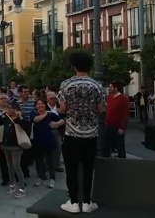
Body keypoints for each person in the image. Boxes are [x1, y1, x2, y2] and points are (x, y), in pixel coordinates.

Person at [59, 51, 105, 214]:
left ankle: (73, 201)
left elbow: (63, 108)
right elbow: (100, 109)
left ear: (74, 66)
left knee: (71, 168)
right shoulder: (97, 85)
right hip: (91, 134)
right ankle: (86, 201)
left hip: (72, 133)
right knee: (88, 168)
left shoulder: (66, 84)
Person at [0, 101, 29, 199]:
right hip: (6, 145)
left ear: (15, 109)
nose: (8, 109)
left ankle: (22, 188)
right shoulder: (6, 118)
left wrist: (19, 118)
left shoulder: (20, 118)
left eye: (10, 107)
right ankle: (12, 184)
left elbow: (25, 127)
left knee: (16, 166)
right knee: (9, 166)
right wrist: (1, 114)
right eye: (7, 107)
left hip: (16, 146)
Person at [31, 99, 64, 189]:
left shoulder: (51, 114)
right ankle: (41, 177)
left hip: (49, 139)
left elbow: (63, 120)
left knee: (50, 160)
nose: (40, 105)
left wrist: (56, 123)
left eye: (42, 104)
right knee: (39, 160)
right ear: (36, 106)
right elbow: (35, 120)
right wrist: (46, 113)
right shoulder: (34, 113)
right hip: (37, 140)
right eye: (38, 104)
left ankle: (52, 178)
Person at [104, 82, 129, 159]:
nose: (109, 89)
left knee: (120, 144)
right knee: (107, 143)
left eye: (111, 87)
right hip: (108, 124)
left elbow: (125, 114)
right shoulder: (109, 97)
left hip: (118, 126)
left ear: (116, 88)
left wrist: (122, 127)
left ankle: (122, 159)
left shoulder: (123, 98)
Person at [17, 85, 35, 178]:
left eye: (28, 91)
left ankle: (28, 164)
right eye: (25, 92)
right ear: (20, 93)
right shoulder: (16, 103)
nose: (27, 93)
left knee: (29, 146)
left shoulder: (33, 102)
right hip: (20, 127)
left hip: (30, 126)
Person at [46, 91, 65, 172]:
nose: (54, 100)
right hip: (46, 130)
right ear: (47, 98)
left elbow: (64, 118)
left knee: (58, 148)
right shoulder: (43, 106)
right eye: (51, 98)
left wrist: (57, 123)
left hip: (57, 130)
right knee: (47, 149)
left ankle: (57, 164)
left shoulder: (59, 107)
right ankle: (47, 165)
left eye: (55, 98)